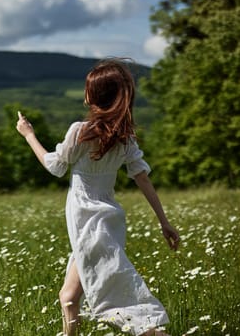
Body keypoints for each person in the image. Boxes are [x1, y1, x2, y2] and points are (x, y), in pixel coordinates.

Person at [16, 58, 180, 336]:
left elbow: (55, 167)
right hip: (108, 219)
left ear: (94, 95)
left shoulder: (80, 131)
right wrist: (164, 222)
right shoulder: (125, 138)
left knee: (119, 301)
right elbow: (143, 178)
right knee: (68, 297)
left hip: (87, 221)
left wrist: (28, 134)